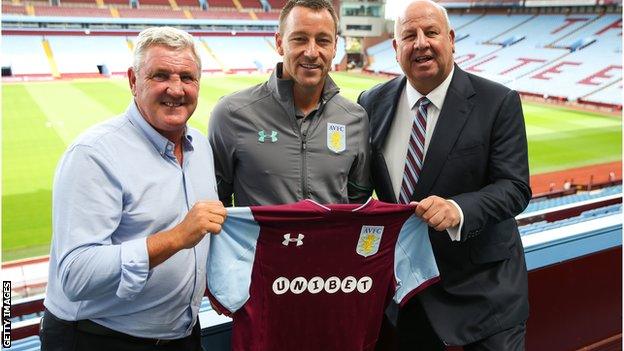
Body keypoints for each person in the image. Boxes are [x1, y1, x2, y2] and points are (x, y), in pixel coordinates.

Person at [40, 27, 227, 351]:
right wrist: (176, 237)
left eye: (187, 77)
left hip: (181, 335)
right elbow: (75, 275)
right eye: (160, 75)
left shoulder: (201, 146)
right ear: (132, 81)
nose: (176, 89)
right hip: (97, 339)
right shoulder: (93, 154)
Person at [358, 1, 531, 350]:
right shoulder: (371, 102)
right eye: (409, 35)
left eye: (431, 32)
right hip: (410, 295)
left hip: (485, 298)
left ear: (450, 39)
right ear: (395, 49)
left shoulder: (498, 101)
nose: (421, 43)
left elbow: (515, 188)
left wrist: (458, 209)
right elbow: (358, 189)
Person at [208, 0, 371, 207]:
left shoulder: (355, 118)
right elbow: (215, 202)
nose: (312, 52)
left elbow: (358, 202)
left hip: (328, 241)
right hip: (260, 241)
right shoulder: (231, 113)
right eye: (300, 39)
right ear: (279, 43)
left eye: (323, 41)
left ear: (335, 46)